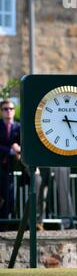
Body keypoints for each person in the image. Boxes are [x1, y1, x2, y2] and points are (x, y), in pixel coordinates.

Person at [0, 99, 21, 231]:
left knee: (10, 197)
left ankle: (7, 226)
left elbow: (24, 145)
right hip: (0, 166)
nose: (9, 111)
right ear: (1, 111)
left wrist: (18, 149)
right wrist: (10, 150)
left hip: (13, 168)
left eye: (11, 109)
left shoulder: (19, 127)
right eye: (5, 109)